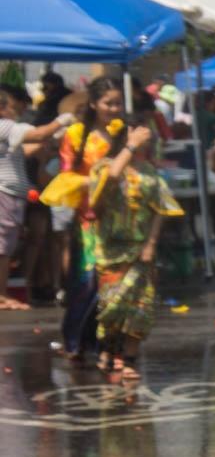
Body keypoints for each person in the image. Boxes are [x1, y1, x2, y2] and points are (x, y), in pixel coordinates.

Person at [83, 124, 182, 380]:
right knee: (112, 306)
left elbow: (161, 209)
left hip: (140, 250)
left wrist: (151, 243)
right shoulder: (103, 168)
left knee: (140, 306)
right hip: (110, 251)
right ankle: (109, 349)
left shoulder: (151, 173)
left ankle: (129, 359)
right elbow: (112, 180)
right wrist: (131, 145)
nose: (144, 144)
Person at [53, 76, 127, 361]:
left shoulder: (123, 133)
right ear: (94, 104)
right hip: (87, 219)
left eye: (118, 103)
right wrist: (96, 180)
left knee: (111, 285)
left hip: (118, 220)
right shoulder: (75, 135)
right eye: (109, 103)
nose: (114, 108)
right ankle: (73, 339)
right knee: (86, 282)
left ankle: (100, 342)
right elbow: (66, 175)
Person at [0, 85, 73, 311]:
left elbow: (26, 148)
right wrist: (63, 120)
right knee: (2, 249)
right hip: (5, 194)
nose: (17, 111)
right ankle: (1, 295)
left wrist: (51, 139)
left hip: (11, 195)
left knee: (6, 247)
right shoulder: (4, 125)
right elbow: (38, 134)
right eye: (12, 107)